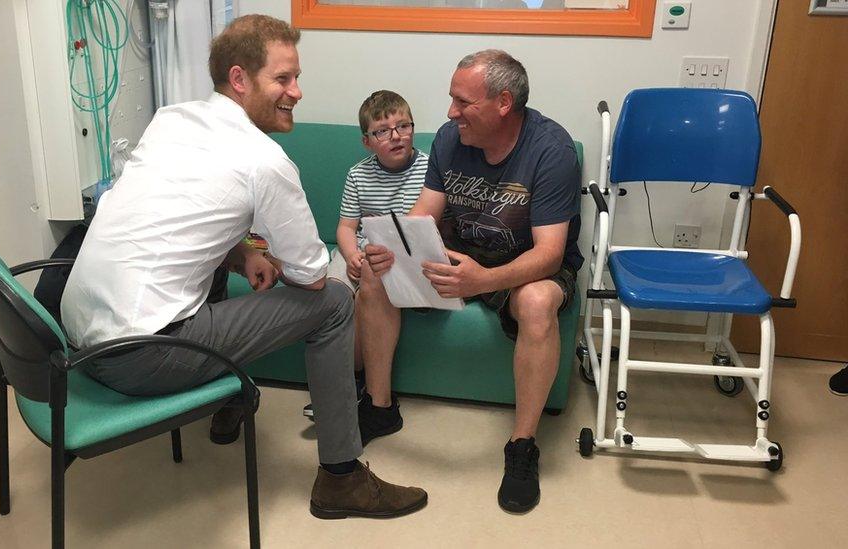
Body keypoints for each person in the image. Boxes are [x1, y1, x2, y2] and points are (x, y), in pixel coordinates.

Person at [59, 14, 427, 520]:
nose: (297, 91)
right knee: (336, 302)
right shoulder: (265, 160)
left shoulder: (171, 119)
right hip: (140, 359)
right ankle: (341, 477)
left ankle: (226, 399)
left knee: (215, 261)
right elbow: (314, 276)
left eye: (296, 77)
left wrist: (244, 252)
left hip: (77, 337)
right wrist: (277, 256)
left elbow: (182, 223)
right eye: (283, 78)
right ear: (239, 79)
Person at [360, 49, 582, 514]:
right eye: (451, 100)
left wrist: (482, 282)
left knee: (540, 302)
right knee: (377, 277)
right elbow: (425, 213)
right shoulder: (448, 139)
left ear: (504, 103)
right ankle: (379, 409)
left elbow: (550, 253)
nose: (450, 112)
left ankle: (522, 447)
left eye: (463, 102)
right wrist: (393, 247)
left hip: (525, 266)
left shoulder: (551, 150)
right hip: (459, 255)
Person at [301, 91, 429, 443]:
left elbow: (432, 230)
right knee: (331, 296)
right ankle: (339, 386)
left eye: (403, 125)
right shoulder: (358, 175)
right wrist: (351, 255)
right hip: (359, 253)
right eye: (383, 131)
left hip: (403, 260)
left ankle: (354, 384)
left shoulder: (429, 169)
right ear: (367, 142)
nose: (396, 135)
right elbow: (346, 228)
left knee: (375, 284)